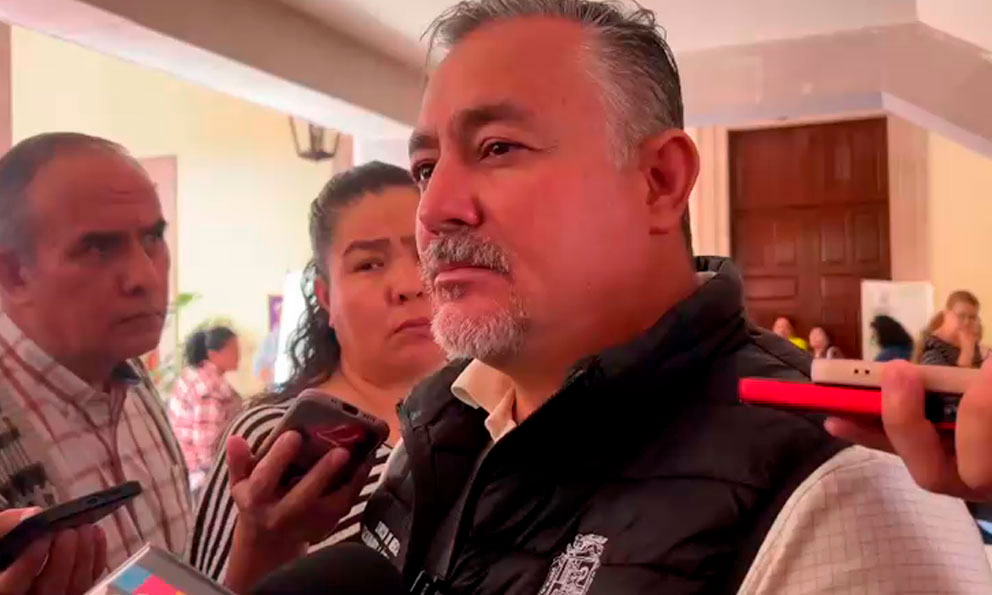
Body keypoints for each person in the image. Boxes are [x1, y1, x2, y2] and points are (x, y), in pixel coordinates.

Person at [223, 2, 992, 593]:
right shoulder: (439, 427)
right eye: (426, 168)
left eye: (497, 148)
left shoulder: (843, 485)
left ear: (658, 181)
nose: (434, 210)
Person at [188, 161, 445, 590]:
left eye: (426, 252)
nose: (408, 284)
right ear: (326, 297)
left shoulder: (498, 419)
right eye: (369, 264)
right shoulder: (276, 437)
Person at [0, 133, 191, 593]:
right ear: (13, 273)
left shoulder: (132, 377)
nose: (145, 276)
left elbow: (168, 578)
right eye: (98, 248)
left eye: (153, 238)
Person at [168, 325, 242, 495]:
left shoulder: (193, 376)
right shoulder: (210, 389)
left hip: (186, 470)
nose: (239, 356)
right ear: (214, 355)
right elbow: (206, 445)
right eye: (233, 350)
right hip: (201, 478)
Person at [920, 290, 983, 368]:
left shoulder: (970, 342)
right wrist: (966, 354)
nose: (966, 322)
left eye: (972, 317)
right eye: (961, 316)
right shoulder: (932, 349)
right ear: (946, 314)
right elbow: (938, 376)